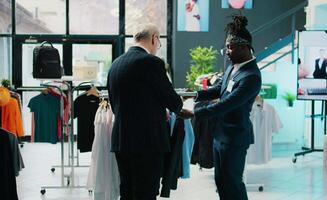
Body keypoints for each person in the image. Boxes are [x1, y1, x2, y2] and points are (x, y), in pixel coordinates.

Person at [180, 15, 261, 200]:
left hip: (234, 137)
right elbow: (219, 90)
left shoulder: (251, 76)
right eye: (226, 48)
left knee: (233, 183)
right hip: (220, 134)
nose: (227, 52)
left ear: (244, 47)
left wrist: (194, 112)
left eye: (230, 47)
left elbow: (228, 103)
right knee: (221, 182)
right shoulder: (234, 67)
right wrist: (194, 94)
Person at [107, 24, 183, 200]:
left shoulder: (116, 64)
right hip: (147, 142)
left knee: (127, 191)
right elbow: (171, 99)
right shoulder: (151, 62)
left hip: (121, 140)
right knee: (146, 193)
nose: (157, 48)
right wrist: (179, 107)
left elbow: (117, 103)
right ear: (154, 38)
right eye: (159, 43)